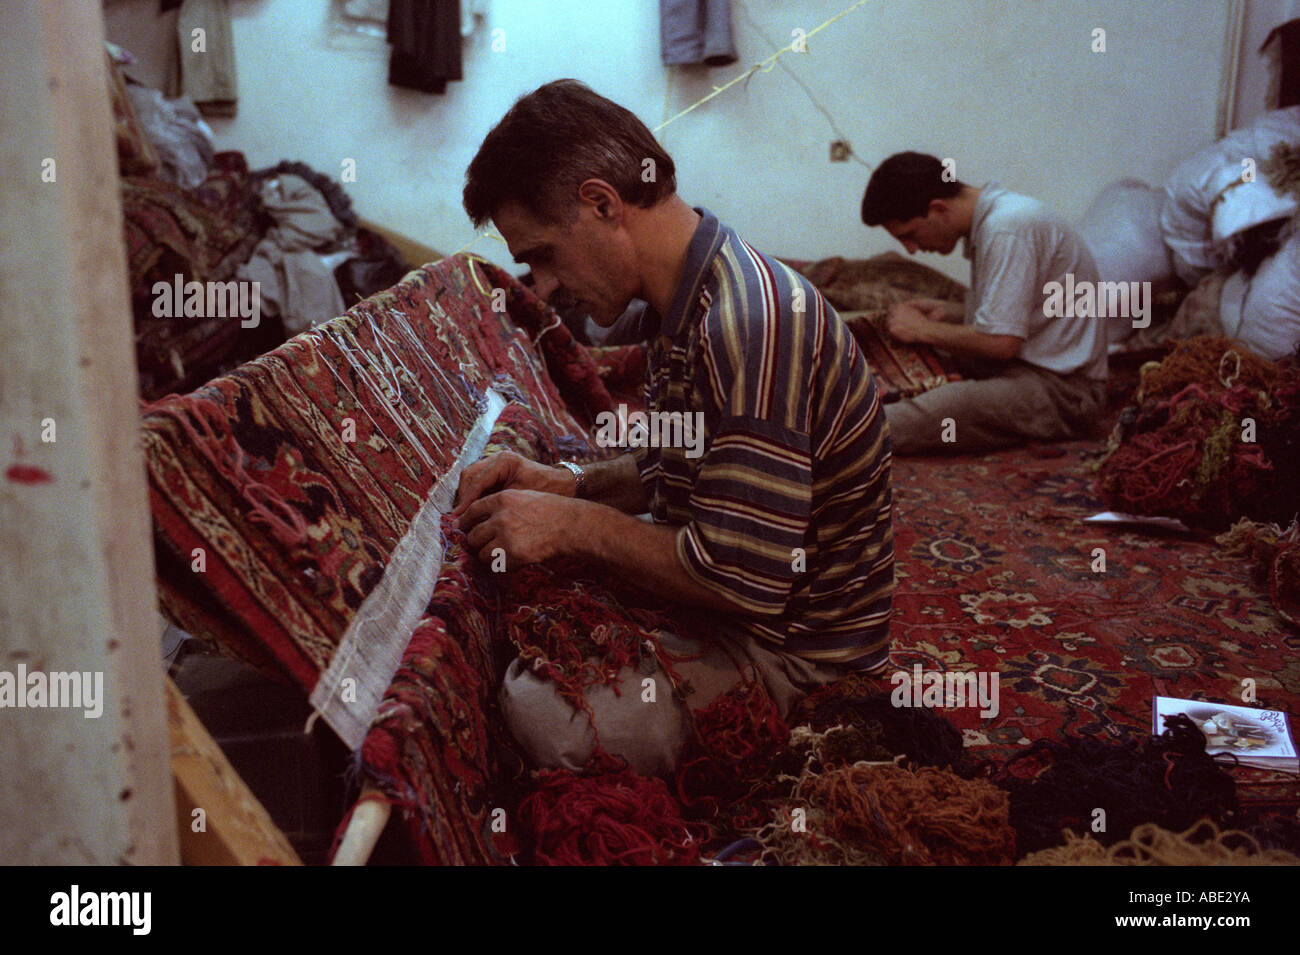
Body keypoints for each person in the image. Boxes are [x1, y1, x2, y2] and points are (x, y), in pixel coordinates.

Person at [452, 80, 894, 775]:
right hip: (747, 605)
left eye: (542, 254)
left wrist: (573, 527)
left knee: (551, 717)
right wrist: (566, 485)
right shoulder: (682, 299)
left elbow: (739, 579)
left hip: (797, 655)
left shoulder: (747, 321)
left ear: (602, 204)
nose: (545, 284)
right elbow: (682, 465)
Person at [861, 152, 1109, 454]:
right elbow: (1017, 313)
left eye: (910, 235)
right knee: (883, 336)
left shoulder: (1007, 227)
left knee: (947, 405)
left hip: (1065, 393)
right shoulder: (997, 219)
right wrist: (948, 313)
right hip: (1024, 367)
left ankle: (842, 437)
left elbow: (1001, 343)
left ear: (938, 208)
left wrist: (923, 329)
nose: (911, 250)